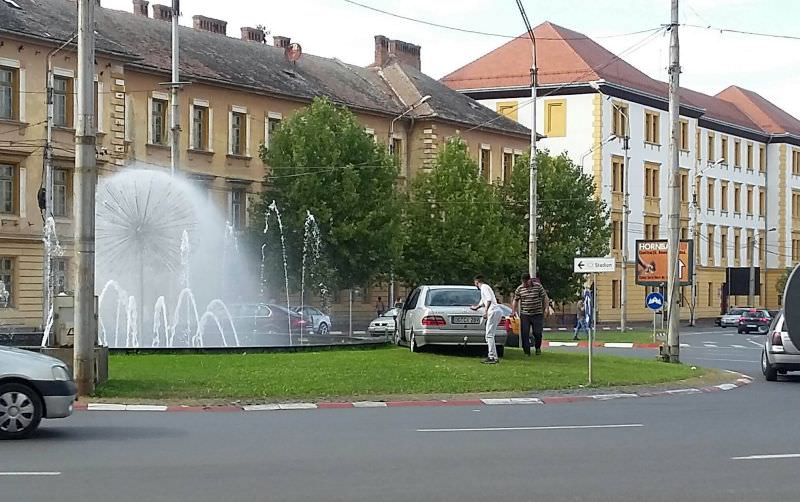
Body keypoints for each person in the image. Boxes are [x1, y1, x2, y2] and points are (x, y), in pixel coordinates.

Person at [512, 273, 550, 356]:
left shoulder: (538, 287)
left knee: (537, 333)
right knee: (524, 333)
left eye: (526, 282)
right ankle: (527, 352)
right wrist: (513, 311)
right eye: (523, 283)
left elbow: (545, 297)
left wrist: (546, 308)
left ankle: (537, 347)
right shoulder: (520, 289)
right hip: (525, 314)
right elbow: (515, 300)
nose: (524, 284)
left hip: (537, 314)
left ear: (530, 280)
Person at [470, 275, 502, 364]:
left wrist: (486, 311)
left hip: (493, 311)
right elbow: (483, 301)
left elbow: (489, 300)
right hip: (496, 311)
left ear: (476, 282)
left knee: (489, 335)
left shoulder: (484, 287)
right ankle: (493, 356)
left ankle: (492, 357)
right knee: (489, 335)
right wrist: (477, 307)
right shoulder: (486, 288)